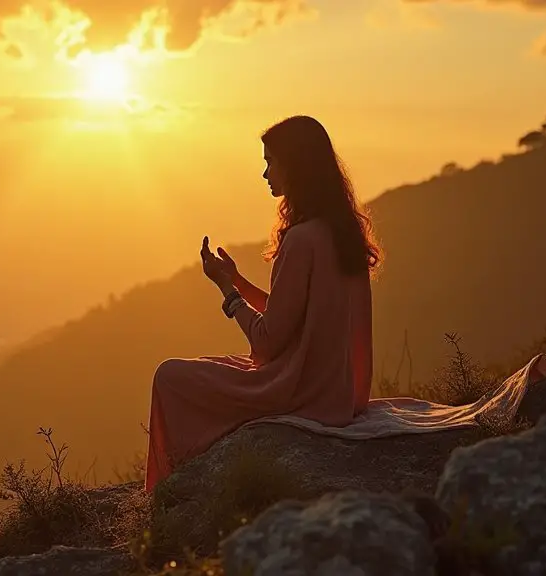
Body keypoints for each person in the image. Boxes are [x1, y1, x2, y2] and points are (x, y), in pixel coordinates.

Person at [144, 115, 380, 492]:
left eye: (270, 162)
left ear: (295, 166)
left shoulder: (302, 240)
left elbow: (268, 340)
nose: (265, 173)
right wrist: (237, 279)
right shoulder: (339, 232)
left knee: (169, 376)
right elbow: (297, 315)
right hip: (336, 390)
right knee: (203, 367)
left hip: (299, 390)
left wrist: (228, 292)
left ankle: (173, 490)